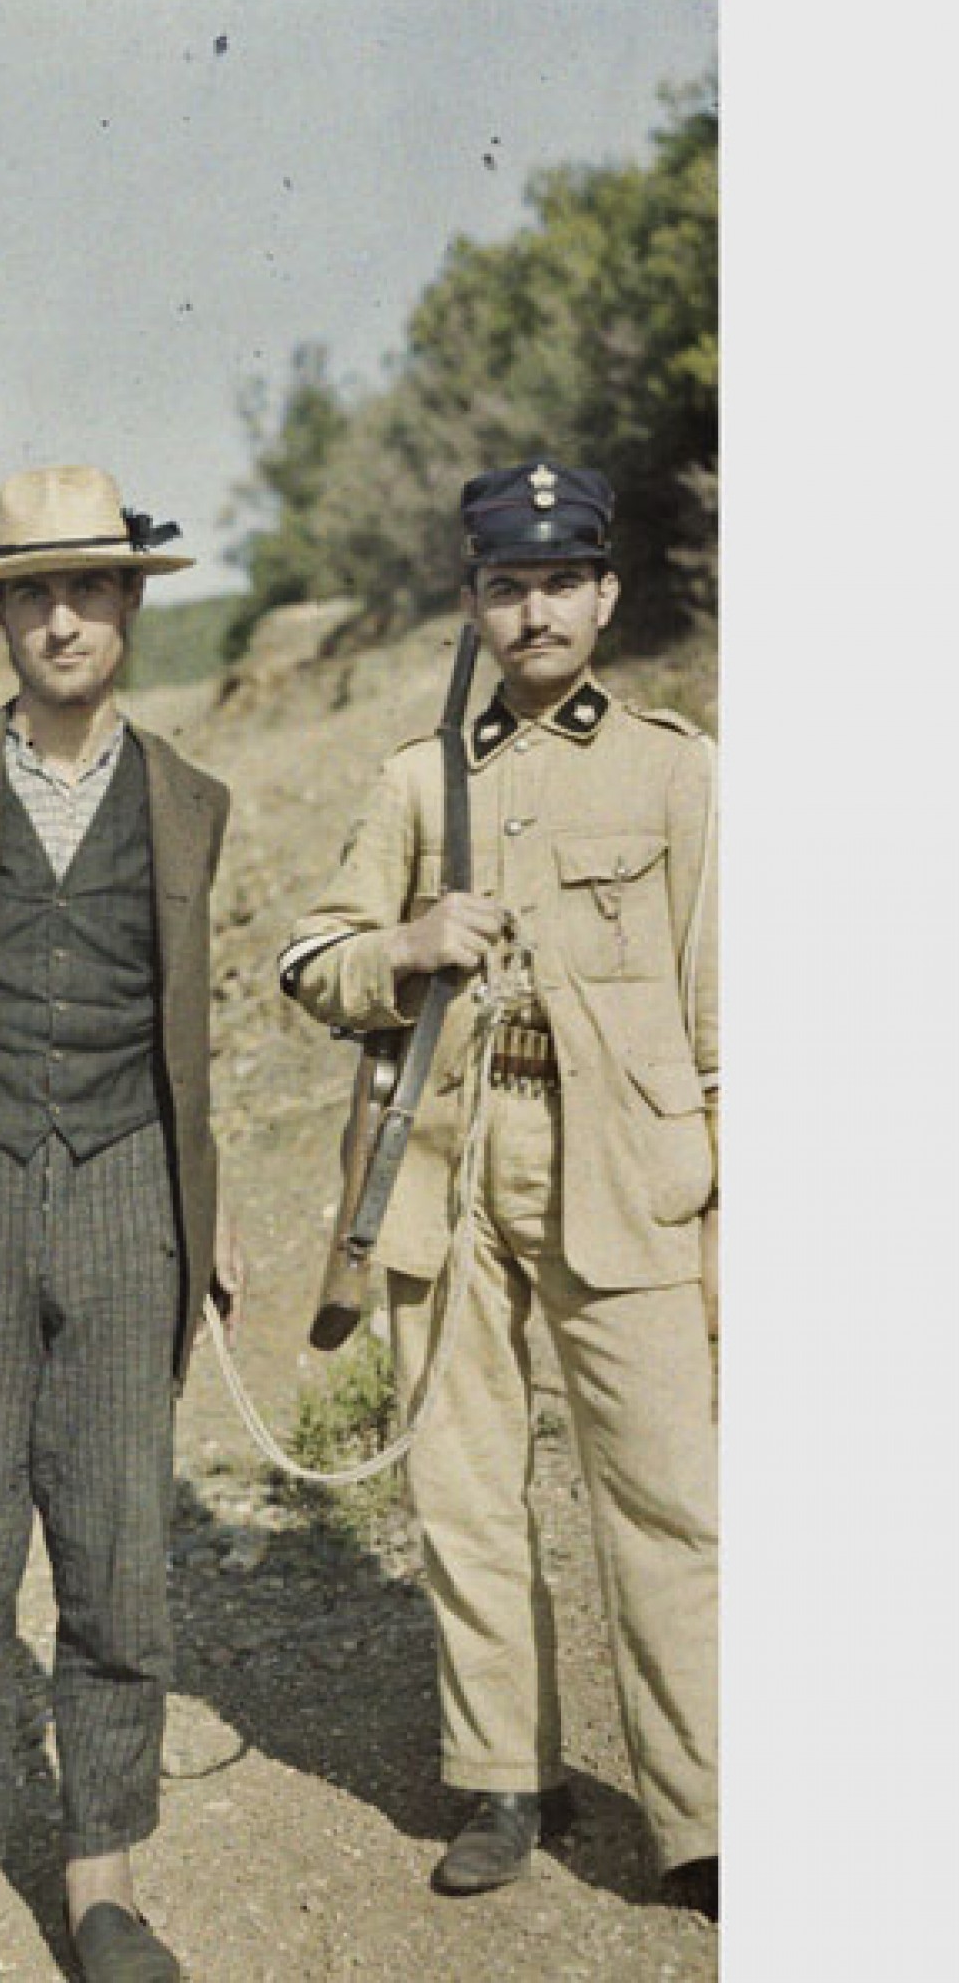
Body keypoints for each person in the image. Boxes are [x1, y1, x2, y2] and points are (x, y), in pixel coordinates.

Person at [278, 462, 718, 1918]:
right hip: (449, 1171)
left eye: (561, 583)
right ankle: (503, 1778)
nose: (535, 611)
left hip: (630, 1176)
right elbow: (313, 964)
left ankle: (707, 1809)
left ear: (606, 594)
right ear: (475, 601)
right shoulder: (420, 780)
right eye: (506, 586)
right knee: (466, 1490)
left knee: (668, 1497)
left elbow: (728, 1021)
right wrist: (407, 944)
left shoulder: (677, 767)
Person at [0, 466, 246, 1982]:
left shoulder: (191, 803)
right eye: (32, 592)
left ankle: (102, 1885)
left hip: (133, 1191)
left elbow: (185, 1041)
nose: (61, 619)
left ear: (131, 607)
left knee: (120, 1553)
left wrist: (211, 1218)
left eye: (88, 590)